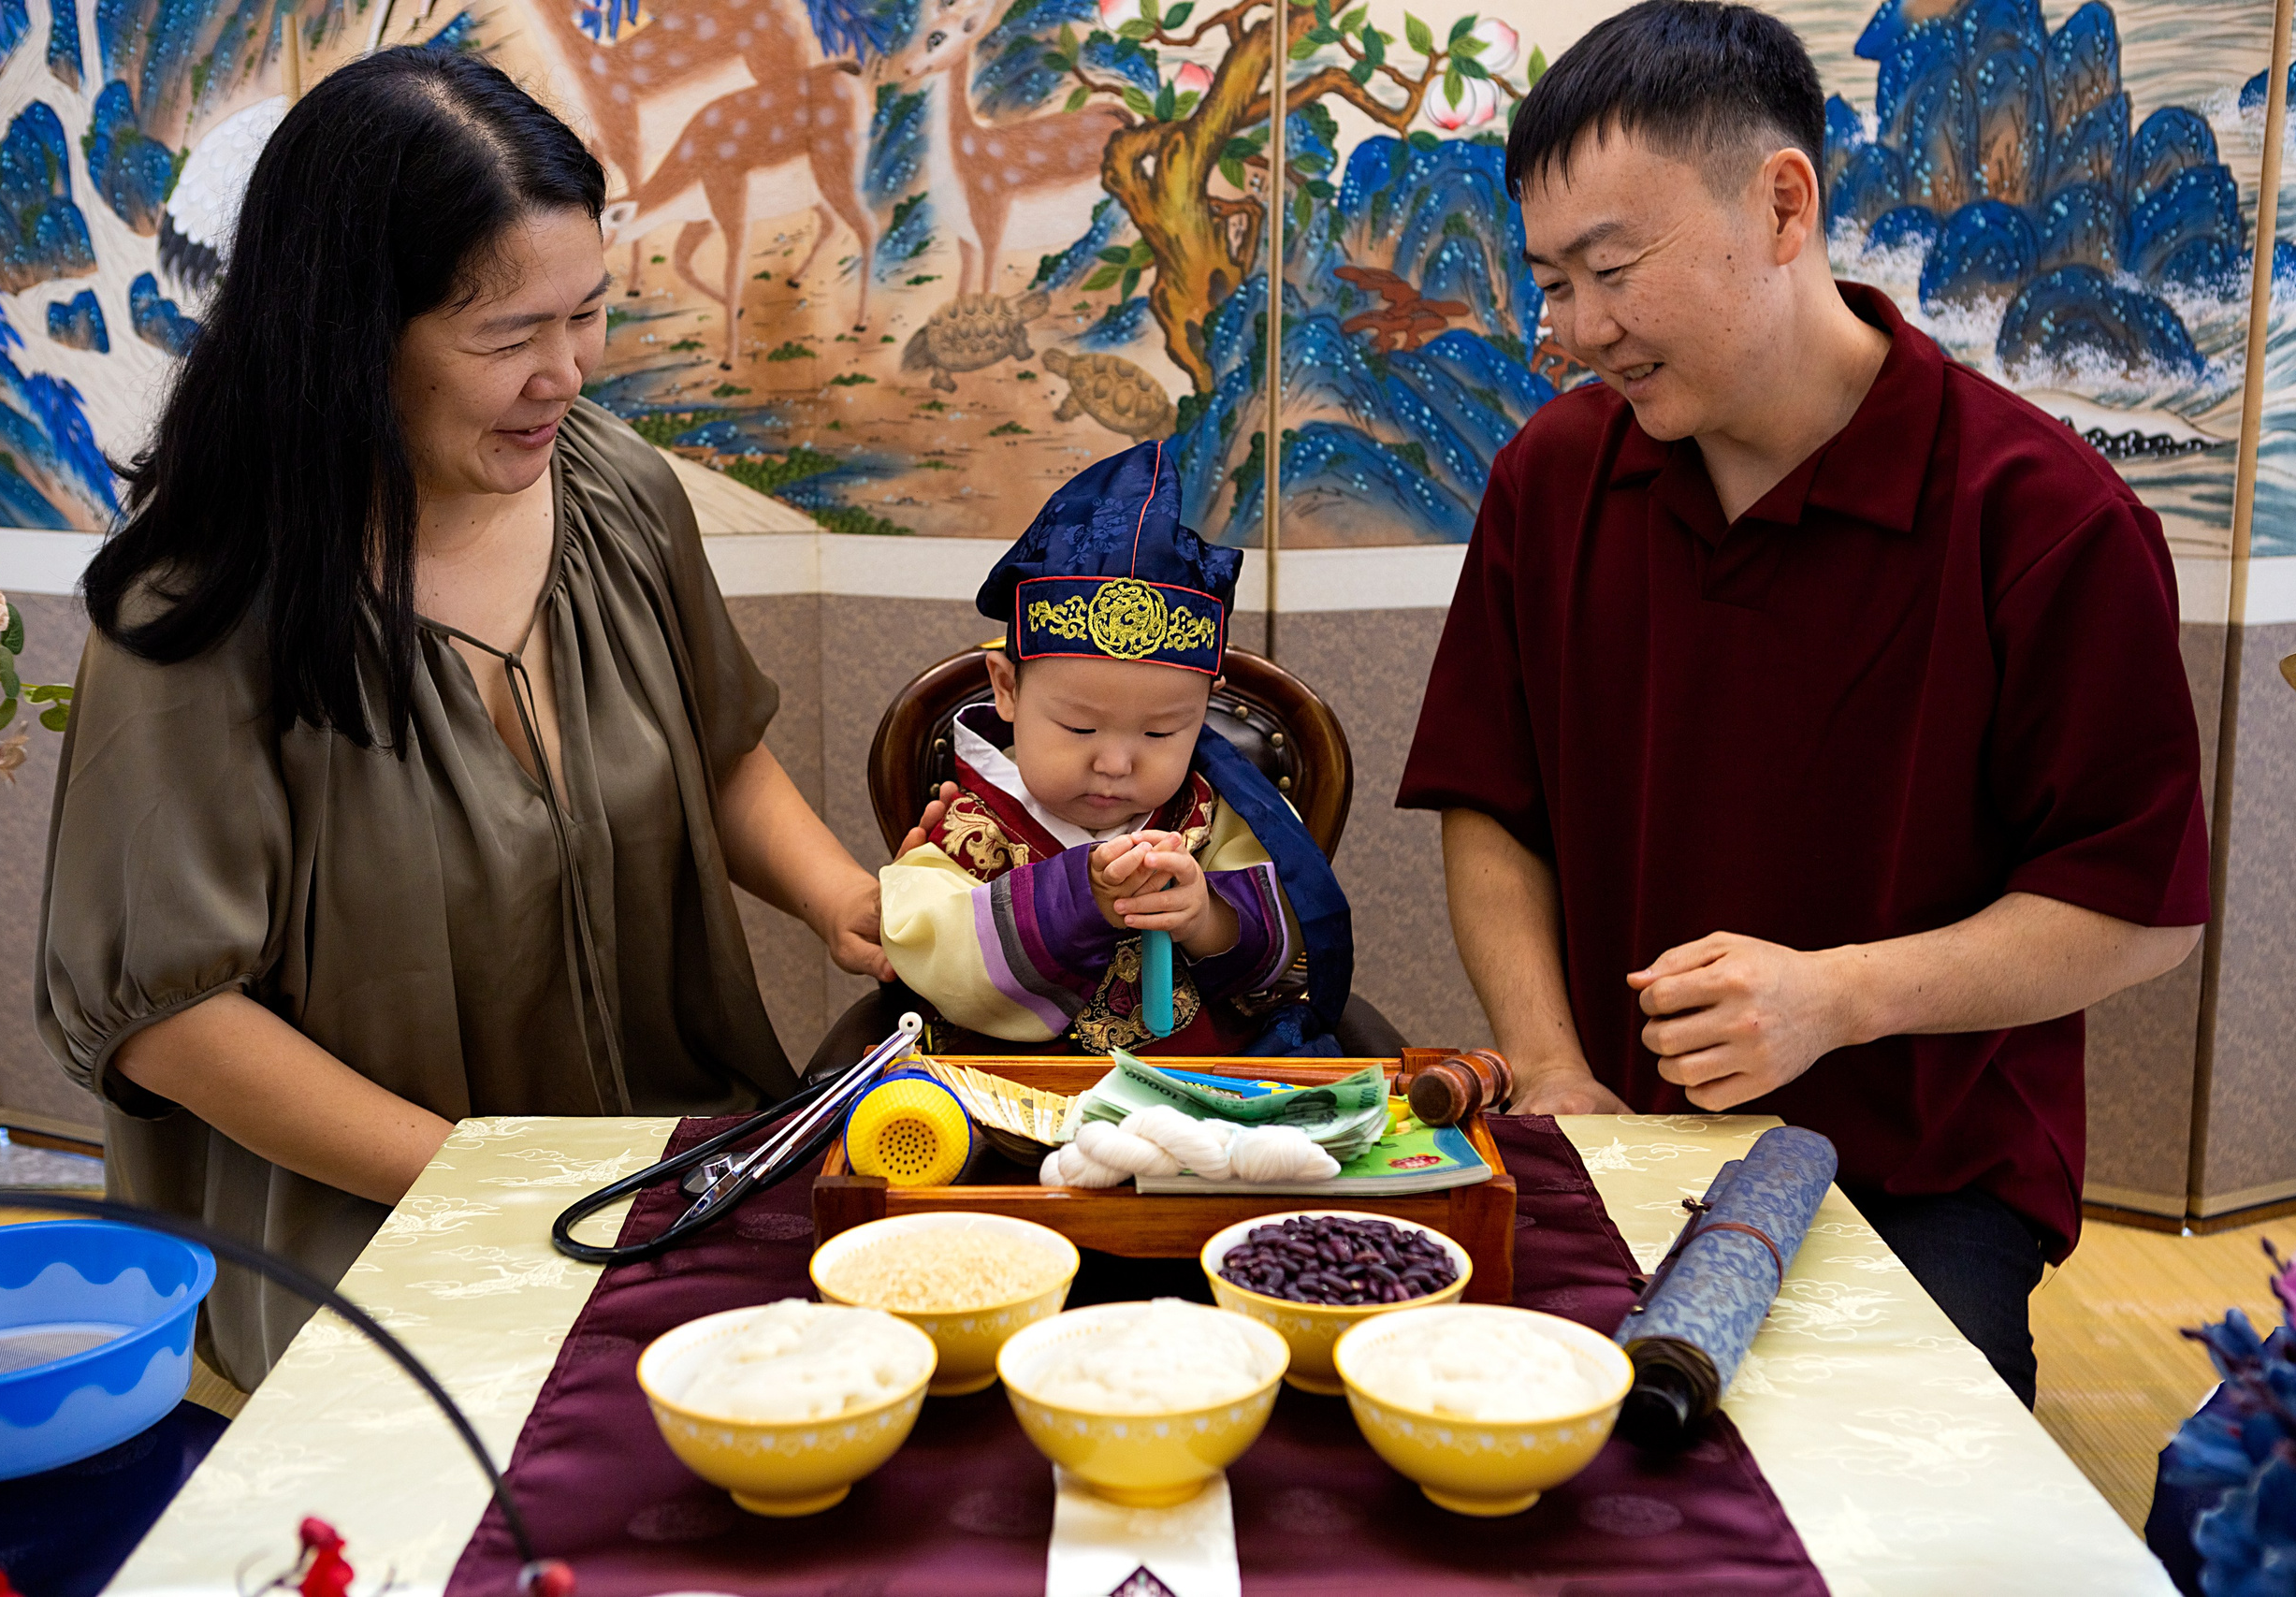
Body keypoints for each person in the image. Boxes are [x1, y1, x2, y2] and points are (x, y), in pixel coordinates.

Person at [37, 49, 896, 1389]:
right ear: (349, 333)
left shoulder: (615, 488)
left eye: (588, 315)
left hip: (673, 1170)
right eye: (508, 338)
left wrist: (846, 899)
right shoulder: (197, 608)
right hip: (377, 1238)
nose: (566, 373)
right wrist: (488, 1175)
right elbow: (174, 1019)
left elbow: (710, 749)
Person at [1396, 0, 2209, 1407]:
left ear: (1784, 207)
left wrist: (1838, 995)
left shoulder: (2043, 520)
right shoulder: (1552, 477)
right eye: (1551, 282)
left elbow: (2136, 910)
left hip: (1920, 1171)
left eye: (1612, 269)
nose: (1578, 330)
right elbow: (1492, 799)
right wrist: (1546, 1062)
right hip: (1614, 1132)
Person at [878, 443, 1360, 1057]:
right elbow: (927, 945)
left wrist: (1204, 915)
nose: (1115, 762)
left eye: (1160, 733)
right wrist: (1079, 896)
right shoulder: (970, 823)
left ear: (1204, 707)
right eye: (1080, 729)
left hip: (1192, 1096)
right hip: (1015, 1098)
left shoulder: (1214, 812)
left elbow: (1284, 937)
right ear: (1006, 687)